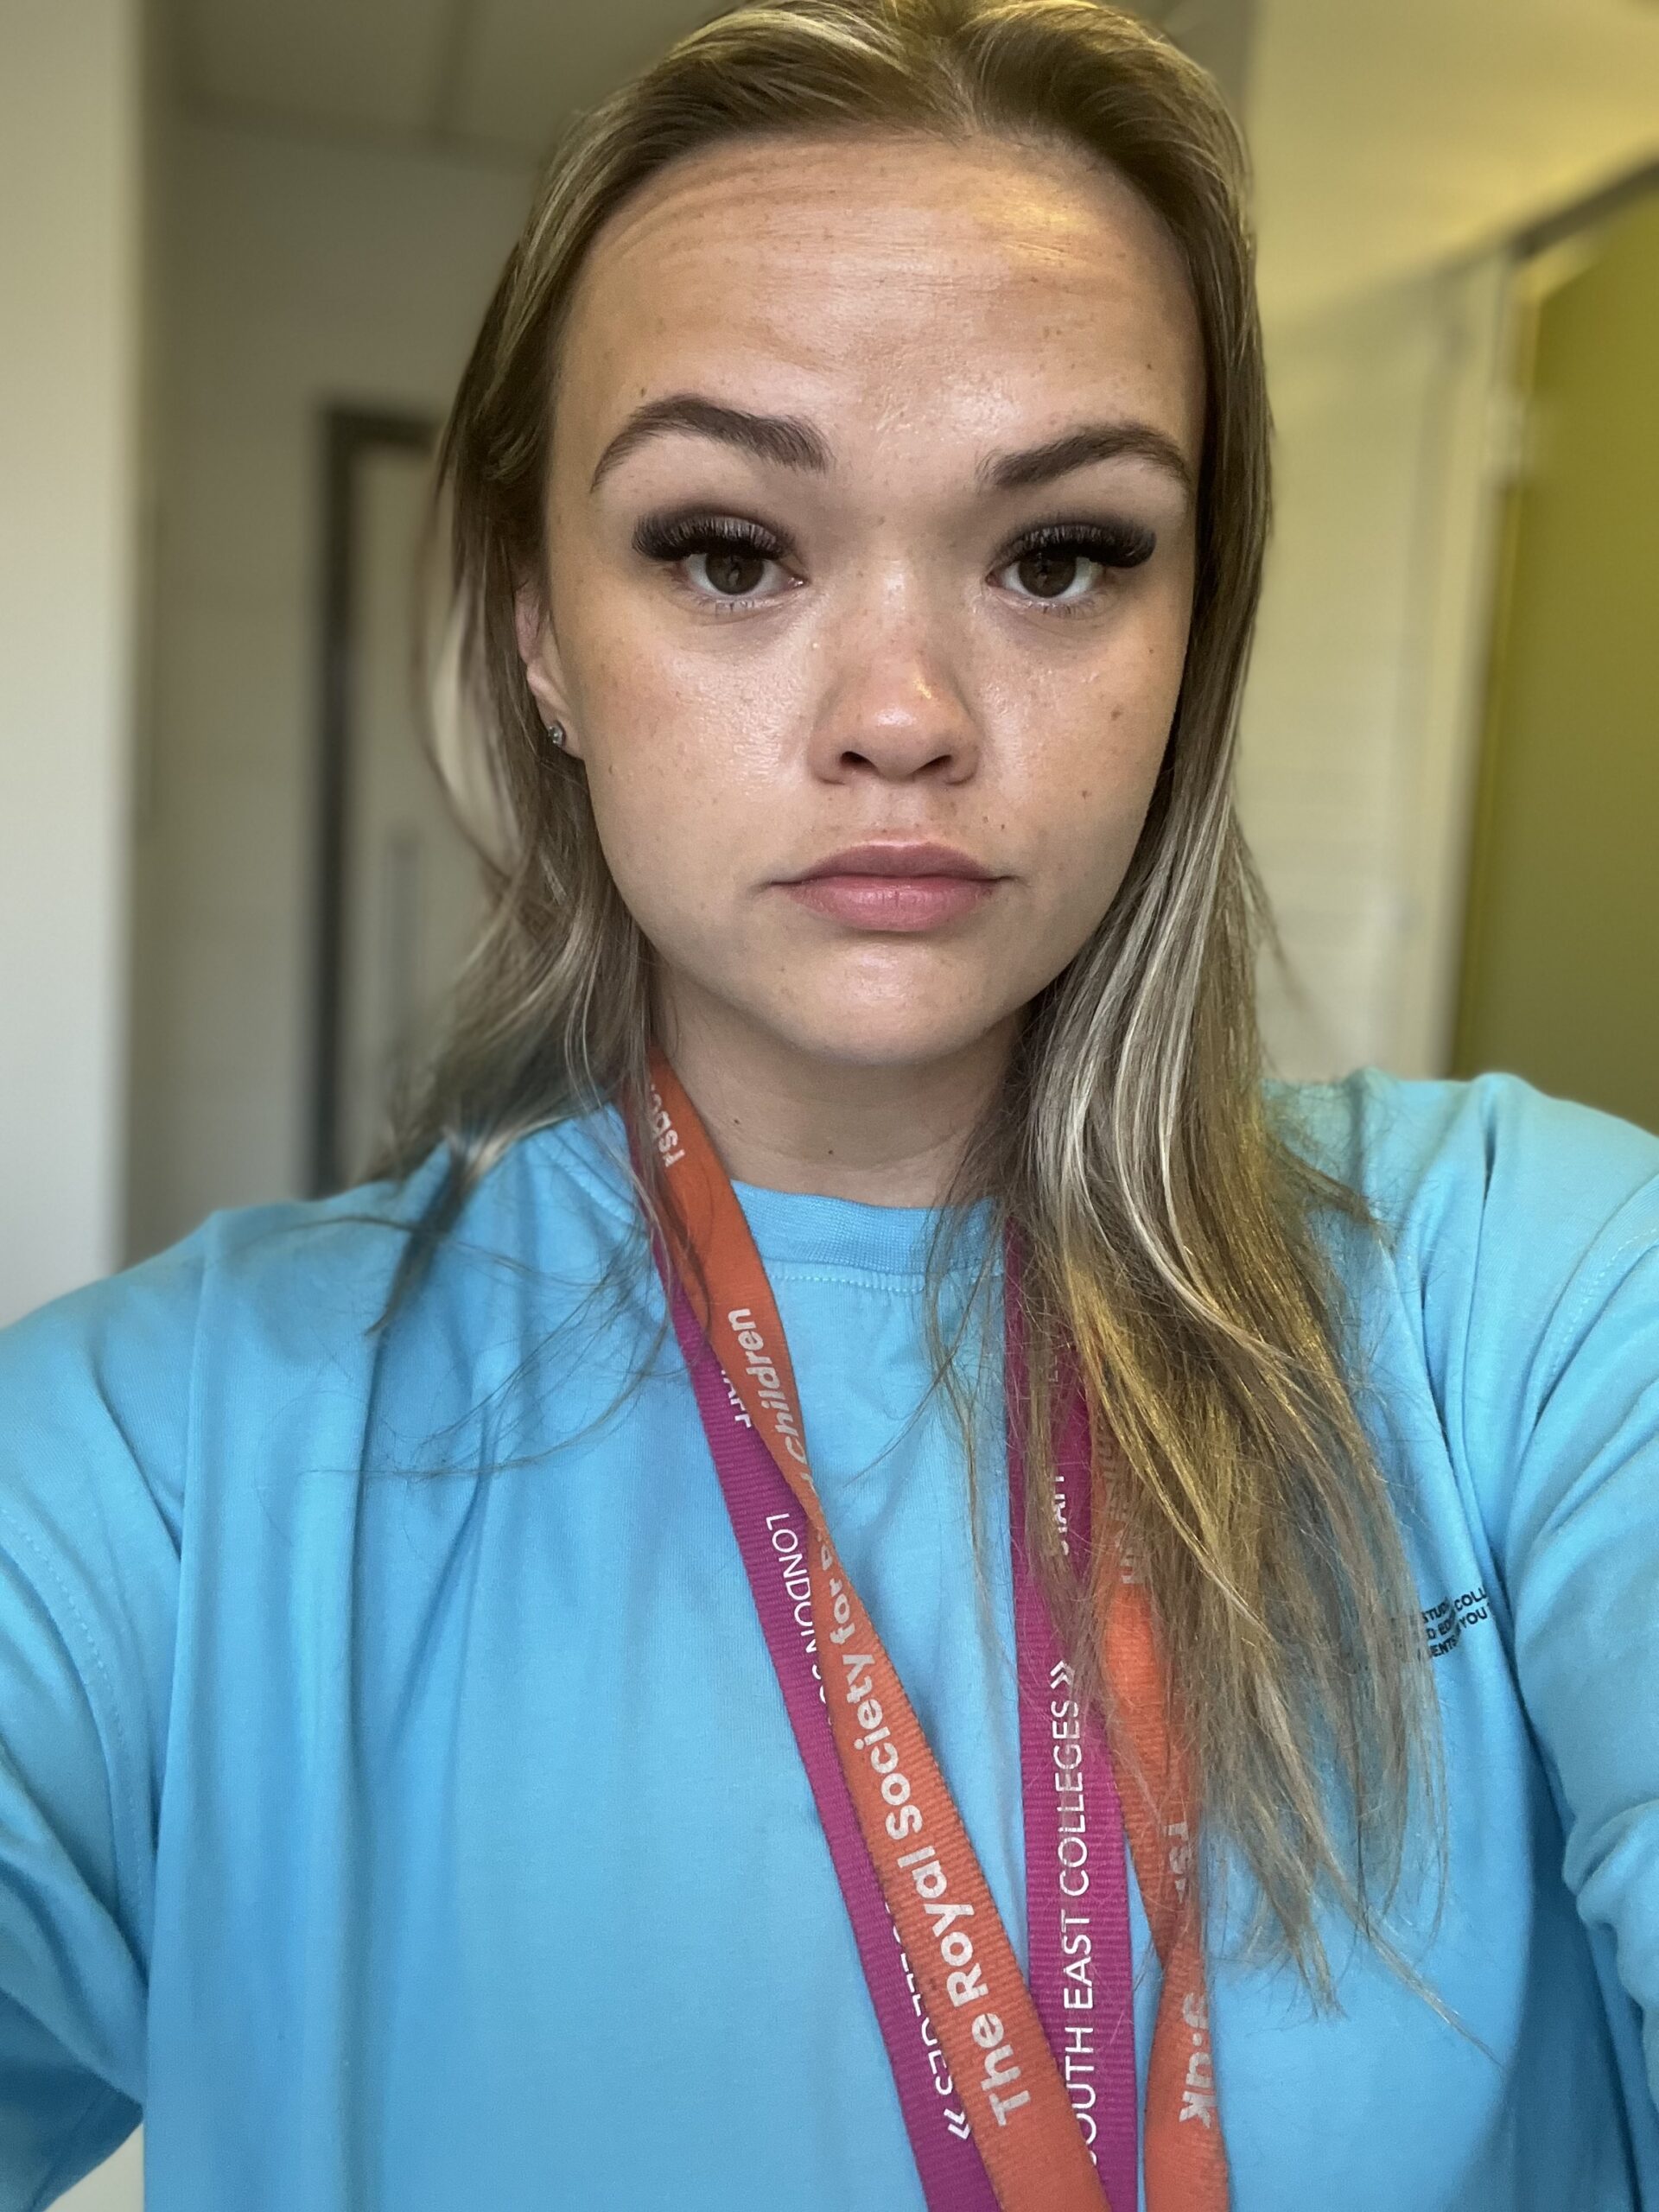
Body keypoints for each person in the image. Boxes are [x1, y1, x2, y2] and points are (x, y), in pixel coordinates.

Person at [3, 0, 1656, 2205]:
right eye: (726, 546)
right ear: (532, 626)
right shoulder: (169, 1465)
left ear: (1196, 637)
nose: (903, 713)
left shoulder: (1528, 1302)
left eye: (1063, 553)